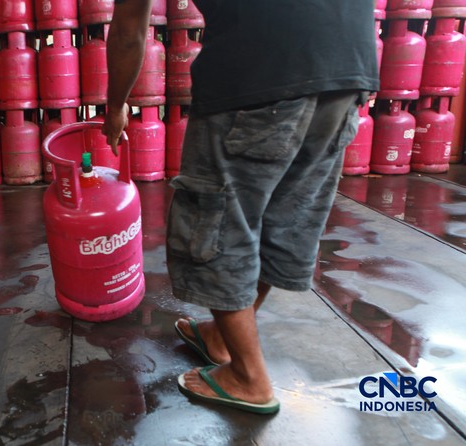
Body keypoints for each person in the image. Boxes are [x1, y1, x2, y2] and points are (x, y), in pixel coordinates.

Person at [103, 0, 379, 414]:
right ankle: (219, 337)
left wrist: (115, 106)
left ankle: (248, 377)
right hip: (347, 68)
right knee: (282, 217)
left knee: (218, 226)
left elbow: (128, 31)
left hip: (258, 70)